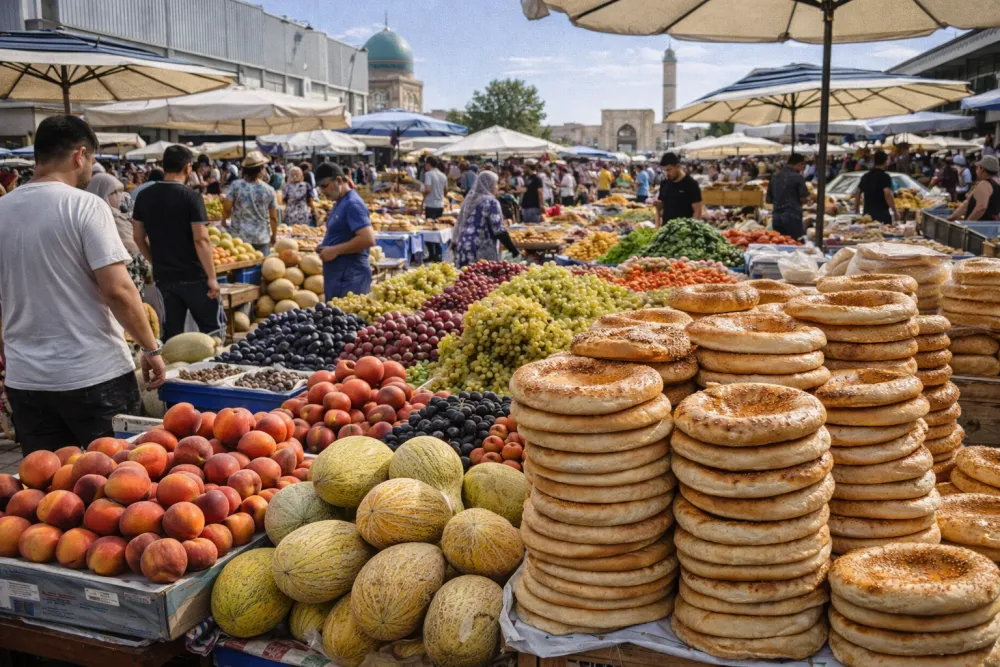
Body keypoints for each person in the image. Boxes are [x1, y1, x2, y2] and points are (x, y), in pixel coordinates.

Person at [0, 115, 164, 454]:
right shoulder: (85, 205)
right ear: (80, 155)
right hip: (93, 375)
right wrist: (150, 348)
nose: (91, 167)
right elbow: (117, 289)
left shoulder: (2, 208)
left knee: (47, 494)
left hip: (26, 380)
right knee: (115, 488)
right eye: (91, 159)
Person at [133, 145, 223, 341]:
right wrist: (212, 277)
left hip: (164, 278)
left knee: (173, 337)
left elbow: (138, 237)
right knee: (212, 333)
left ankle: (175, 371)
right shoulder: (192, 197)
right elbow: (201, 239)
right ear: (188, 168)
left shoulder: (144, 196)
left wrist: (154, 261)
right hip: (195, 276)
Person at [315, 163, 376, 300]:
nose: (322, 191)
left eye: (324, 186)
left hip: (350, 276)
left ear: (339, 180)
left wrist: (335, 250)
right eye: (320, 187)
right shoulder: (340, 202)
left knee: (349, 319)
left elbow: (368, 238)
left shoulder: (352, 204)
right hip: (339, 276)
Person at [87, 173, 150, 294]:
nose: (119, 196)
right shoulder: (100, 221)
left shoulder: (124, 215)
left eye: (120, 191)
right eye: (113, 193)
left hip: (137, 280)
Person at [452, 170, 521, 267]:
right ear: (490, 184)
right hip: (480, 250)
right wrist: (513, 250)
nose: (497, 187)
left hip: (463, 247)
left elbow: (459, 223)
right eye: (496, 184)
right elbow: (499, 230)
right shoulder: (491, 202)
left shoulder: (470, 199)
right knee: (481, 279)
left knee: (466, 279)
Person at [224, 151, 278, 254]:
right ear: (260, 170)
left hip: (239, 237)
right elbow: (273, 218)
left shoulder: (235, 186)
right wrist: (274, 235)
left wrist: (224, 219)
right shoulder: (269, 190)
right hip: (261, 237)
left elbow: (227, 208)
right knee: (261, 267)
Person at [766, 154, 810, 240]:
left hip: (777, 218)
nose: (802, 169)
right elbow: (804, 198)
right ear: (799, 164)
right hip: (793, 217)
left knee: (780, 243)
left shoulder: (774, 176)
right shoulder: (798, 177)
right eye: (803, 166)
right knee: (796, 243)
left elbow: (769, 200)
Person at [656, 152, 702, 226]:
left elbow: (697, 211)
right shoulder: (664, 183)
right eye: (664, 170)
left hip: (684, 231)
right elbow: (661, 208)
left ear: (678, 166)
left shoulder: (691, 184)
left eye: (669, 170)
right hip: (667, 230)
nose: (666, 173)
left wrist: (691, 230)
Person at [949, 155, 1000, 222]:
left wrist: (968, 223)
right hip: (993, 227)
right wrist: (953, 216)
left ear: (982, 170)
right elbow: (967, 203)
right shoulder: (997, 182)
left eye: (977, 168)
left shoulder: (984, 184)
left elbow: (981, 208)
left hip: (979, 228)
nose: (976, 171)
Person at [854, 150, 897, 224]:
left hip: (867, 216)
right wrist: (895, 211)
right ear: (885, 162)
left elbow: (858, 191)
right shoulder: (885, 177)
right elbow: (887, 193)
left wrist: (857, 209)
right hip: (882, 216)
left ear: (874, 161)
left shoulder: (866, 176)